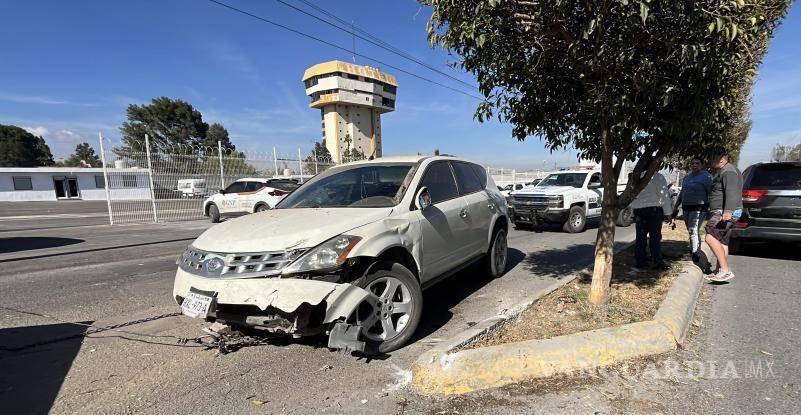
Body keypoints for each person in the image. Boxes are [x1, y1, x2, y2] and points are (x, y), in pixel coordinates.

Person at [704, 150, 743, 282]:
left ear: (721, 159)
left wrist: (728, 211)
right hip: (723, 210)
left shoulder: (728, 171)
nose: (709, 160)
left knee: (710, 237)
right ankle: (719, 271)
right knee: (722, 241)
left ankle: (725, 271)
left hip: (723, 212)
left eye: (711, 157)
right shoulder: (726, 170)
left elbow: (731, 192)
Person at [672, 158, 714, 262]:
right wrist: (676, 206)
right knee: (691, 231)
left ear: (702, 165)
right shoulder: (687, 177)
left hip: (699, 208)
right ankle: (694, 249)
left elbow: (711, 193)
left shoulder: (706, 176)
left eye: (697, 163)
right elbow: (682, 193)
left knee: (693, 230)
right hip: (686, 208)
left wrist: (711, 208)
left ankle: (695, 253)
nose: (694, 165)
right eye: (692, 163)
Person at [631, 171, 674, 271]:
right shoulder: (657, 177)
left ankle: (640, 262)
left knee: (640, 238)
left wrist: (633, 209)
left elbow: (632, 194)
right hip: (654, 210)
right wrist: (668, 213)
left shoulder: (636, 176)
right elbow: (664, 196)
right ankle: (658, 261)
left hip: (639, 210)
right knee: (655, 237)